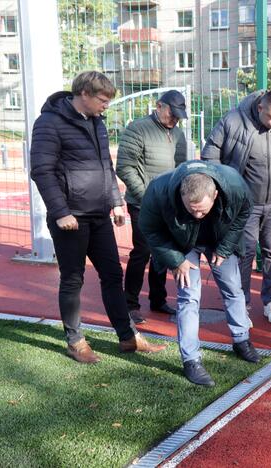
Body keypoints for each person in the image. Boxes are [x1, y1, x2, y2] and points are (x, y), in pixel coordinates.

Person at [29, 71, 167, 363]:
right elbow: (41, 171)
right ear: (84, 95)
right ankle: (75, 340)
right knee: (73, 279)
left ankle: (128, 337)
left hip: (99, 214)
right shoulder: (49, 123)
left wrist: (115, 202)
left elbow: (106, 165)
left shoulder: (97, 123)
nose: (106, 105)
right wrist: (61, 211)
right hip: (70, 218)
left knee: (113, 275)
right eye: (102, 100)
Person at [139, 160, 261, 386]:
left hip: (219, 240)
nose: (197, 216)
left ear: (215, 195)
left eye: (202, 210)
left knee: (234, 288)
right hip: (182, 245)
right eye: (191, 210)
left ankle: (241, 340)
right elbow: (150, 229)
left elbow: (243, 214)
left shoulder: (235, 185)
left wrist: (225, 249)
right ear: (181, 195)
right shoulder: (159, 191)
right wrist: (175, 260)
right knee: (188, 297)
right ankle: (191, 360)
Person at [201, 90, 271, 324]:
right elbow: (210, 157)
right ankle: (243, 304)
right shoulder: (232, 121)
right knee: (244, 253)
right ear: (260, 108)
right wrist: (226, 191)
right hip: (245, 205)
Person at [116, 90, 188, 324]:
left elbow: (181, 169)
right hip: (142, 204)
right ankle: (130, 304)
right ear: (159, 106)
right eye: (172, 113)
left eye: (178, 115)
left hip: (167, 204)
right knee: (143, 251)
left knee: (163, 251)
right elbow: (125, 167)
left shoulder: (178, 134)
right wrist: (147, 198)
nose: (175, 119)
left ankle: (158, 300)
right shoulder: (138, 128)